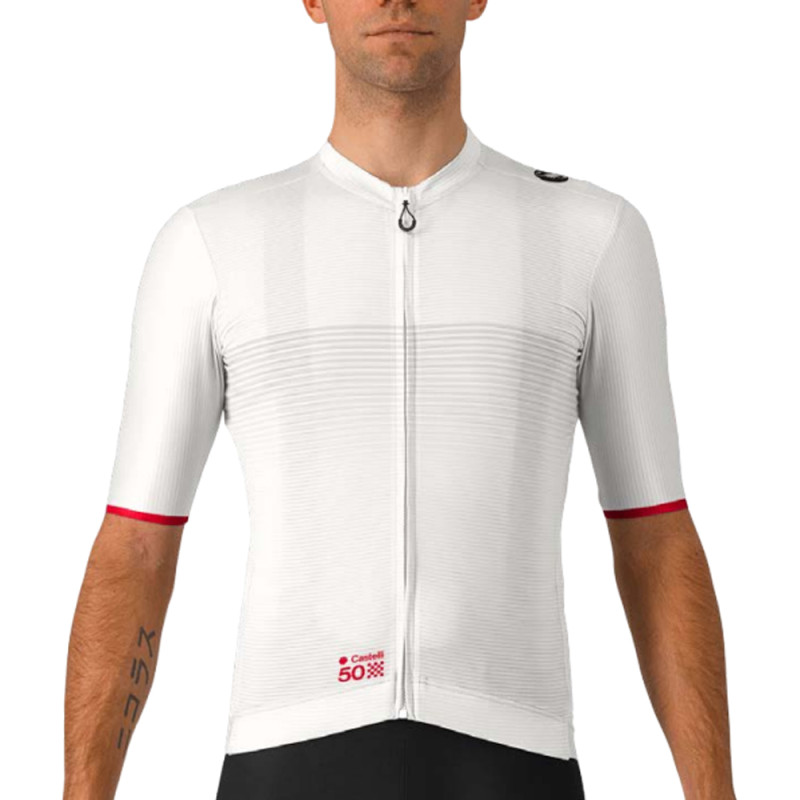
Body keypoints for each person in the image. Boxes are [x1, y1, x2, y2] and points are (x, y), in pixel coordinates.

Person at [63, 2, 737, 798]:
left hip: (513, 757)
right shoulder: (212, 243)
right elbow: (136, 546)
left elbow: (655, 538)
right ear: (312, 2)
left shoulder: (590, 235)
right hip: (287, 755)